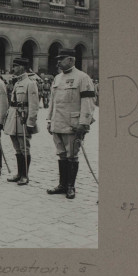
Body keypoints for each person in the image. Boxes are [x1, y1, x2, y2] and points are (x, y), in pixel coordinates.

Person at [46, 49, 96, 199]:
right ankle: (62, 184)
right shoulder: (57, 78)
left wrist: (83, 123)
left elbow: (88, 102)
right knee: (61, 155)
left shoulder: (82, 77)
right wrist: (49, 120)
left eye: (61, 59)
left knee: (72, 156)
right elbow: (52, 102)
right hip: (58, 123)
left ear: (71, 60)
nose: (58, 62)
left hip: (73, 125)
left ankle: (70, 186)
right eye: (58, 59)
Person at [4, 58, 39, 185]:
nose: (13, 68)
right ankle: (19, 173)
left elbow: (34, 106)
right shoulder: (17, 83)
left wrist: (31, 123)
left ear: (23, 67)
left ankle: (25, 175)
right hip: (14, 117)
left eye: (16, 66)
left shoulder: (30, 83)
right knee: (17, 148)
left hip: (23, 119)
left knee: (24, 147)